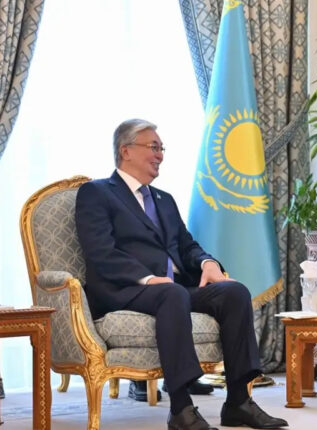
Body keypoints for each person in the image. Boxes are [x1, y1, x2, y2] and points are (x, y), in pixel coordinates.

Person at [75, 119, 288, 430]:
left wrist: (207, 263)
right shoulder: (96, 193)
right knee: (171, 293)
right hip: (126, 290)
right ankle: (181, 407)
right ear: (125, 150)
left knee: (234, 292)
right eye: (153, 147)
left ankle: (239, 401)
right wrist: (147, 278)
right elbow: (101, 252)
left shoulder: (163, 199)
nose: (160, 155)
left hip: (170, 289)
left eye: (162, 148)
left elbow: (187, 246)